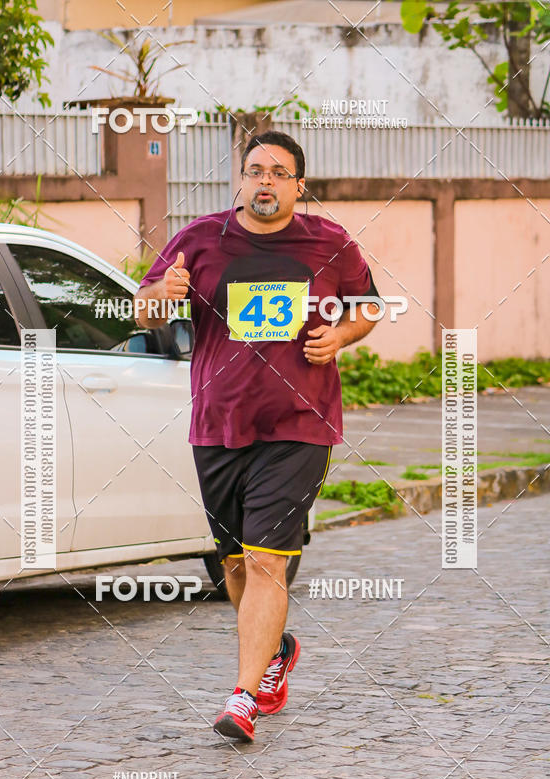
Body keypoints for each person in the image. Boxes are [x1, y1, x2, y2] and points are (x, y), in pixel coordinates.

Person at [134, 130, 380, 742]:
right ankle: (272, 653)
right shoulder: (198, 239)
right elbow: (144, 310)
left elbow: (369, 306)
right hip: (219, 423)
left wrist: (340, 336)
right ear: (239, 180)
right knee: (236, 564)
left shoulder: (329, 242)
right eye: (255, 170)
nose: (265, 181)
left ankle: (241, 699)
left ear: (300, 184)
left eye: (279, 172)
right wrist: (159, 297)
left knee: (268, 558)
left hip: (300, 422)